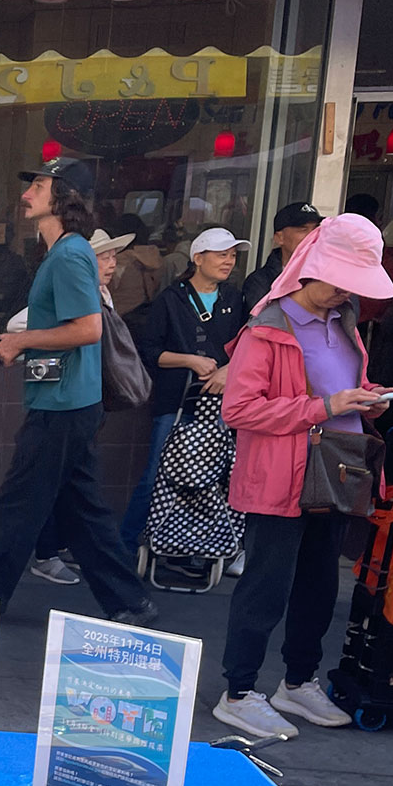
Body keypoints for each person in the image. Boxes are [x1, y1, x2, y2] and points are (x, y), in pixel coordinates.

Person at [213, 214, 393, 740]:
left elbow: (347, 388)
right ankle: (239, 692)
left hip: (336, 472)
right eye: (340, 283)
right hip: (279, 479)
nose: (344, 294)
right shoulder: (265, 329)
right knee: (265, 588)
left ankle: (298, 681)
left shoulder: (345, 324)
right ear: (311, 270)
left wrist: (368, 399)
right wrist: (325, 405)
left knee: (318, 586)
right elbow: (239, 409)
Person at [0, 156, 157, 624]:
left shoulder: (70, 254)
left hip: (64, 406)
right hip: (66, 401)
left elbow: (88, 329)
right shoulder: (64, 253)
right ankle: (130, 602)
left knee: (18, 507)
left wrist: (21, 339)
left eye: (39, 185)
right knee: (83, 514)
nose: (27, 194)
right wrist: (14, 344)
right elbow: (65, 329)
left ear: (63, 197)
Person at [125, 227, 250, 553]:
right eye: (222, 254)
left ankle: (208, 546)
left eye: (233, 255)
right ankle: (129, 545)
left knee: (218, 477)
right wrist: (190, 361)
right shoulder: (171, 298)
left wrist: (227, 370)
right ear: (198, 258)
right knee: (158, 472)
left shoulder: (234, 298)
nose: (229, 262)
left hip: (223, 405)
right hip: (177, 401)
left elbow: (249, 348)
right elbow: (150, 352)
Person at [27, 226, 130, 585]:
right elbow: (22, 323)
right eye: (103, 256)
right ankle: (45, 553)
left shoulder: (100, 294)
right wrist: (31, 345)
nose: (111, 263)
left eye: (113, 255)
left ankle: (50, 552)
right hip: (64, 402)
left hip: (85, 401)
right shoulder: (73, 286)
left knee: (68, 486)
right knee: (54, 487)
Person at [240, 201, 323, 316]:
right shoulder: (259, 281)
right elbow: (266, 323)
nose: (313, 236)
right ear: (280, 238)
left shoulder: (330, 277)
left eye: (316, 229)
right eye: (303, 230)